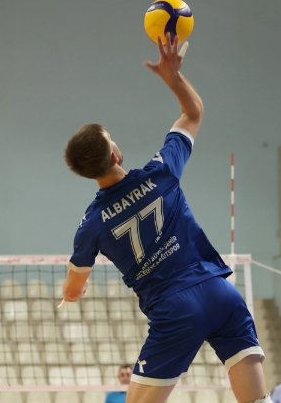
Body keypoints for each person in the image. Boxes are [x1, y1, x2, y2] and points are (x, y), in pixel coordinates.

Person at [61, 34, 269, 403]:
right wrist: (173, 79)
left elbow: (73, 289)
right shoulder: (161, 172)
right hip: (220, 292)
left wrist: (73, 294)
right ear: (115, 153)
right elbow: (193, 113)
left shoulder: (91, 224)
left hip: (175, 311)